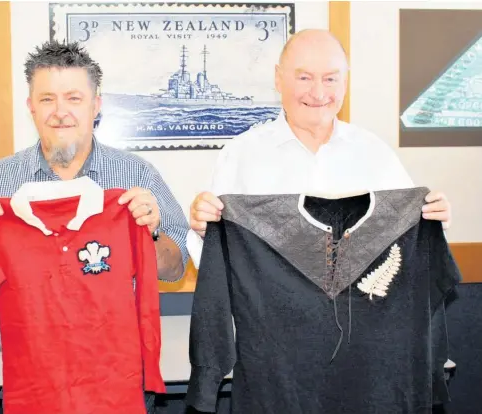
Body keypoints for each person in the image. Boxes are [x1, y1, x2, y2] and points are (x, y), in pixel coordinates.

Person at [0, 40, 190, 413]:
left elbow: (176, 267)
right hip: (31, 374)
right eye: (47, 99)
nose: (60, 112)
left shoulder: (137, 177)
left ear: (95, 106)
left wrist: (150, 232)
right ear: (30, 107)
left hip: (118, 373)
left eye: (73, 98)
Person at [187, 29, 452, 267]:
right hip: (271, 320)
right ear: (278, 79)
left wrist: (434, 222)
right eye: (304, 78)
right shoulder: (240, 155)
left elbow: (409, 252)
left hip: (363, 318)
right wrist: (204, 229)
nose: (317, 93)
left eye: (330, 80)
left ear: (345, 84)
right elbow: (209, 263)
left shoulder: (375, 154)